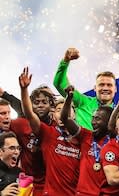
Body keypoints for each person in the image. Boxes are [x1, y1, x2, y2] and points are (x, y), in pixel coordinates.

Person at [20, 67, 84, 196]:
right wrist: (24, 89)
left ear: (75, 114)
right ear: (53, 113)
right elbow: (29, 114)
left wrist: (69, 98)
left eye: (66, 109)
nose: (62, 114)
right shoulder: (49, 133)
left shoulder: (84, 137)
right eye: (58, 110)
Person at [60, 85, 114, 196]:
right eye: (93, 118)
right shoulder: (86, 136)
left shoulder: (116, 142)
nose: (93, 122)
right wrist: (69, 98)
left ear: (108, 122)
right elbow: (65, 119)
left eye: (97, 118)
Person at [53, 47, 117, 129]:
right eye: (101, 84)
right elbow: (59, 84)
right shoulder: (82, 102)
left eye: (109, 85)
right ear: (95, 88)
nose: (105, 88)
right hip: (83, 140)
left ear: (115, 89)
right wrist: (65, 61)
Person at [10, 86, 55, 196]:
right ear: (31, 105)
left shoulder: (57, 127)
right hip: (27, 183)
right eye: (36, 102)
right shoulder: (19, 124)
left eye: (44, 102)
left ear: (51, 105)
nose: (40, 105)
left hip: (51, 182)